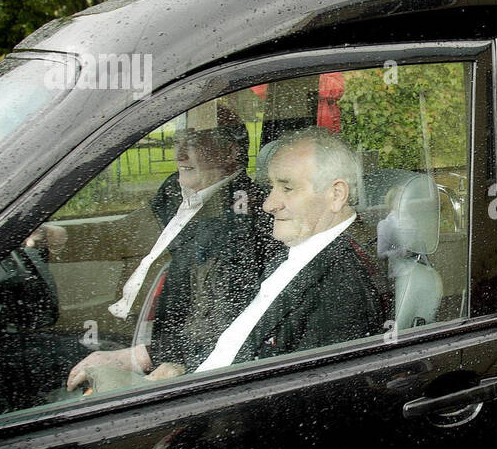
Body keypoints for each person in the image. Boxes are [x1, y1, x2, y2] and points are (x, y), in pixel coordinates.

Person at [63, 106, 273, 390]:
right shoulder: (176, 190)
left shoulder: (245, 215)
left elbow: (224, 318)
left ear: (231, 152)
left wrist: (142, 357)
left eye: (195, 142)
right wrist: (56, 240)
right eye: (179, 140)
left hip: (180, 354)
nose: (180, 154)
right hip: (151, 334)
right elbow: (127, 235)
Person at [151, 127, 386, 379]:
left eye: (287, 188)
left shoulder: (342, 284)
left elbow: (311, 392)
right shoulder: (295, 253)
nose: (268, 204)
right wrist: (185, 370)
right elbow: (242, 341)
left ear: (336, 194)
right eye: (271, 188)